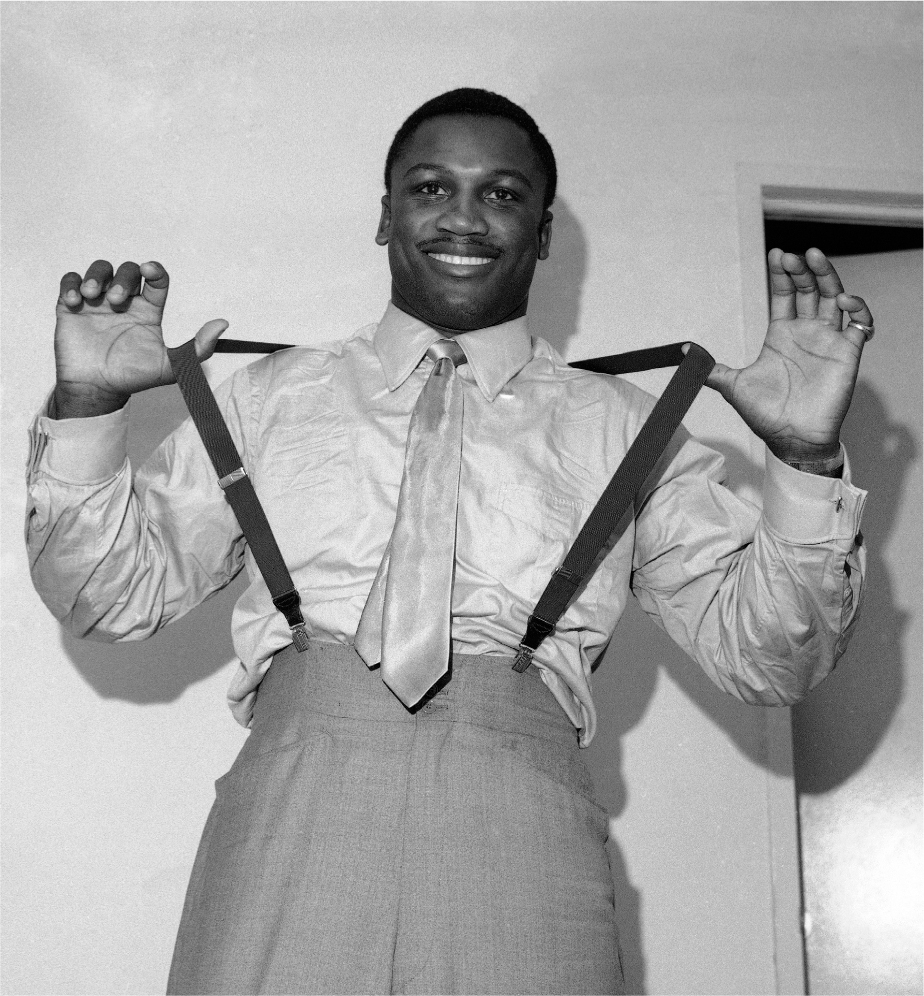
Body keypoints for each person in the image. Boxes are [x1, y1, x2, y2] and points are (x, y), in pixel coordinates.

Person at [27, 88, 871, 995]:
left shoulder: (631, 428)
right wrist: (88, 407)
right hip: (291, 812)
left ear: (543, 232)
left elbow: (770, 659)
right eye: (431, 188)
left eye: (503, 194)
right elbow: (108, 596)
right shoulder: (265, 398)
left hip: (526, 827)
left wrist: (805, 456)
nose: (464, 215)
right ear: (385, 217)